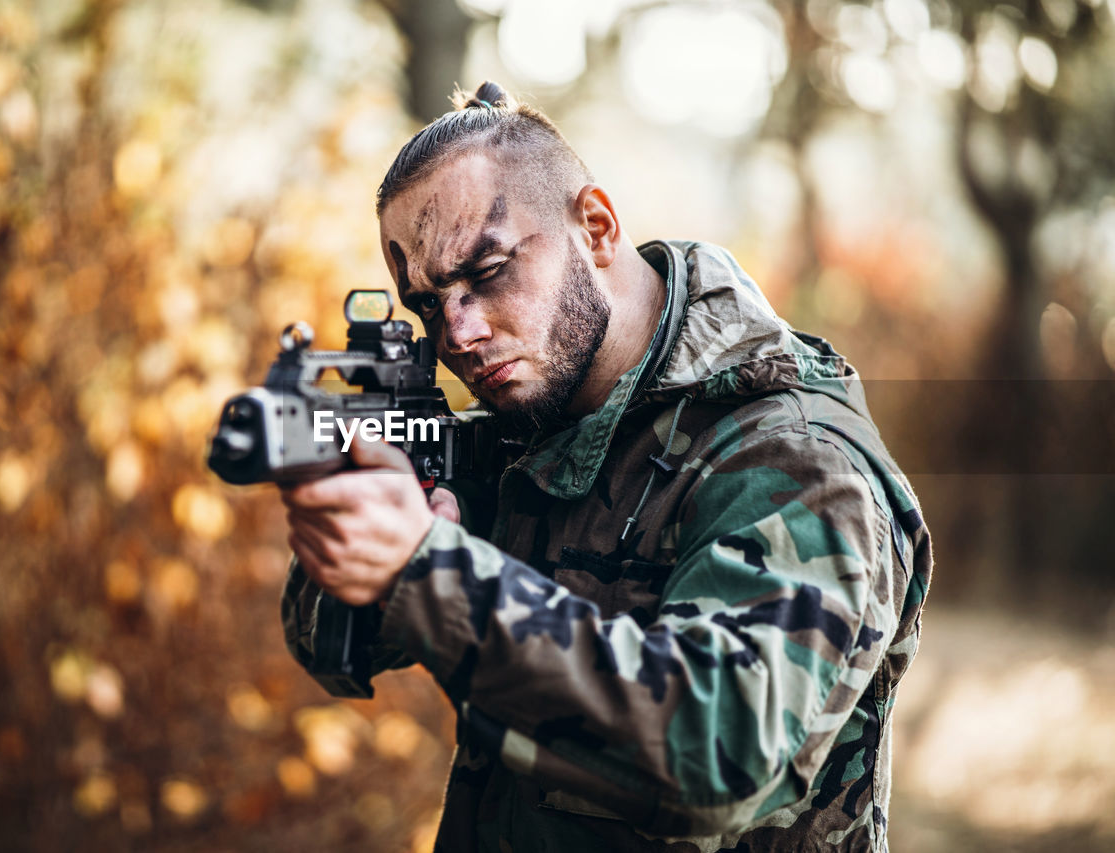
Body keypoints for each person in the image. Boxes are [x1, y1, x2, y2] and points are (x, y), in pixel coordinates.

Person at [279, 81, 932, 853]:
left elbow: (716, 753)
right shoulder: (529, 422)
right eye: (428, 303)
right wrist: (362, 536)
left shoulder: (795, 458)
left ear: (594, 226)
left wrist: (429, 573)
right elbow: (327, 645)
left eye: (486, 272)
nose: (457, 332)